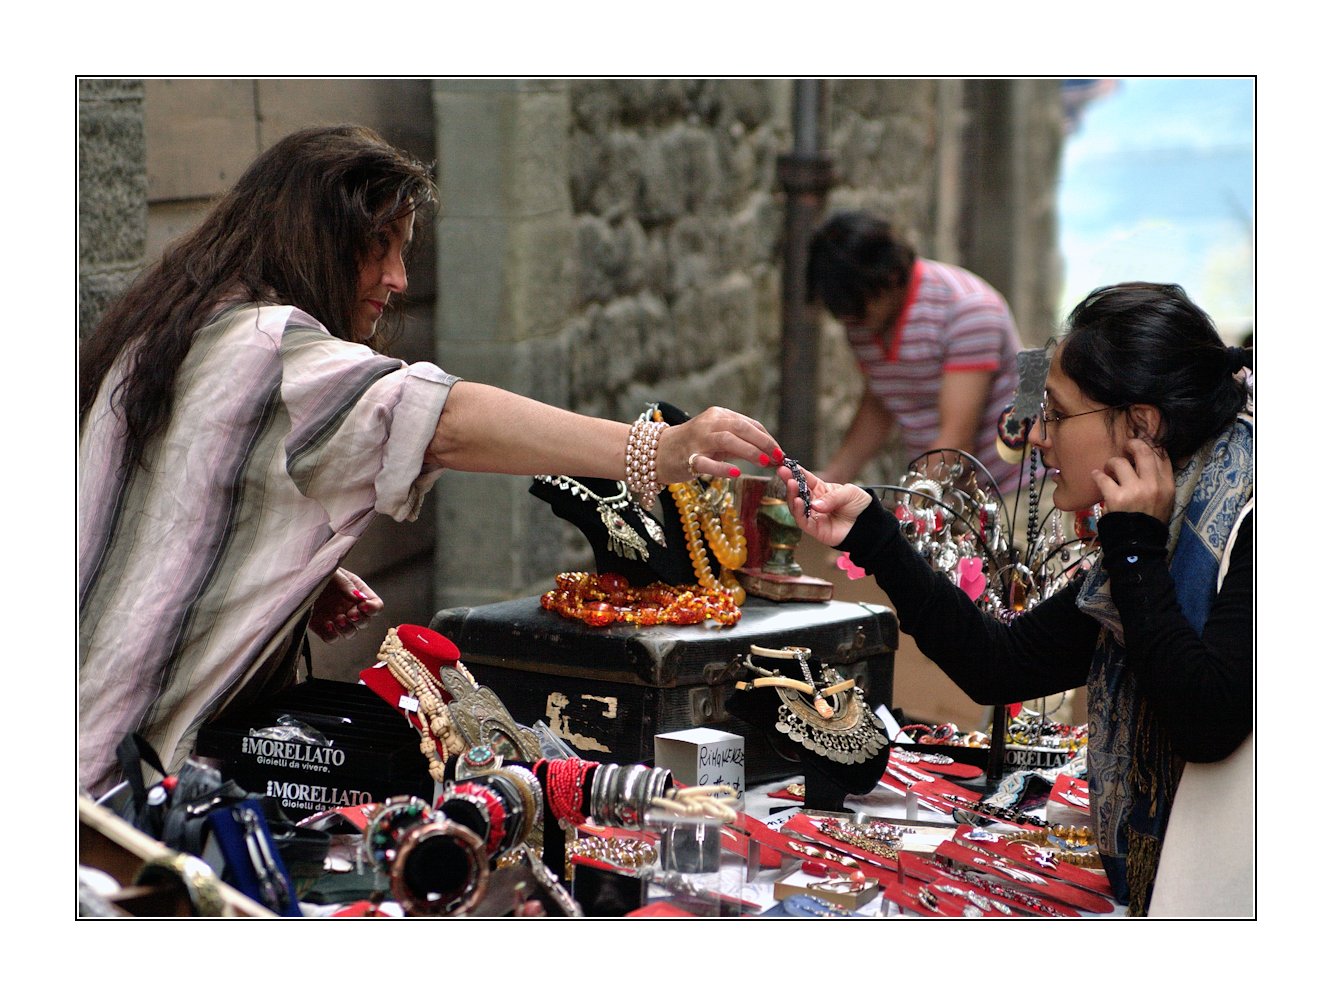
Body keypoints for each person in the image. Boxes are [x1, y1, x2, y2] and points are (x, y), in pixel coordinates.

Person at [78, 124, 783, 798]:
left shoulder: (181, 327)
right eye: (377, 247)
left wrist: (271, 567)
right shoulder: (270, 349)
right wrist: (655, 450)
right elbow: (437, 419)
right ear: (311, 240)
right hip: (123, 782)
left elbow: (178, 512)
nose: (398, 277)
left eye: (403, 249)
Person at [778, 282, 1253, 916]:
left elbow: (1208, 722)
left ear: (1141, 425)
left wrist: (1135, 545)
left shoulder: (1244, 517)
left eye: (1056, 414)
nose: (1036, 436)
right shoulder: (1166, 506)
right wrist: (873, 533)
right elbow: (1001, 664)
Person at [807, 210, 1023, 492]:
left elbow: (956, 438)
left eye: (860, 306)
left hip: (1010, 490)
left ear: (893, 276)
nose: (852, 322)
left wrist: (912, 503)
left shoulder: (968, 309)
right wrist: (832, 478)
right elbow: (882, 400)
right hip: (944, 491)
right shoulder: (861, 319)